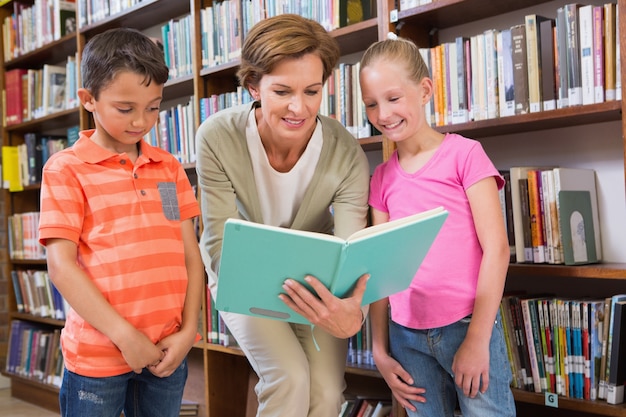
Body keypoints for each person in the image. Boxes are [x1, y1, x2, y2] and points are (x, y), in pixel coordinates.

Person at [195, 14, 371, 417]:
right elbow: (219, 240)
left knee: (326, 395)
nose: (299, 107)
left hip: (316, 286)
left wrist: (354, 312)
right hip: (243, 276)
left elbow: (352, 248)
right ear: (254, 86)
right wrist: (252, 284)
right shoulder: (217, 136)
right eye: (282, 91)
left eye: (312, 91)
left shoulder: (346, 153)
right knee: (289, 377)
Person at [38, 28, 204, 417]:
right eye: (126, 109)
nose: (141, 121)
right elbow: (61, 268)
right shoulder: (66, 170)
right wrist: (125, 337)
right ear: (89, 100)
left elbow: (189, 256)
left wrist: (187, 333)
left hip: (167, 351)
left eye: (153, 107)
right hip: (98, 357)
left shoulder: (168, 168)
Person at [359, 36, 516, 417]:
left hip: (468, 326)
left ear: (425, 89)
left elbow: (497, 250)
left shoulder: (465, 155)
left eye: (393, 98)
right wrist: (380, 350)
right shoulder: (381, 178)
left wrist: (478, 339)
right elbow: (380, 270)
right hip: (406, 337)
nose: (383, 113)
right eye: (371, 104)